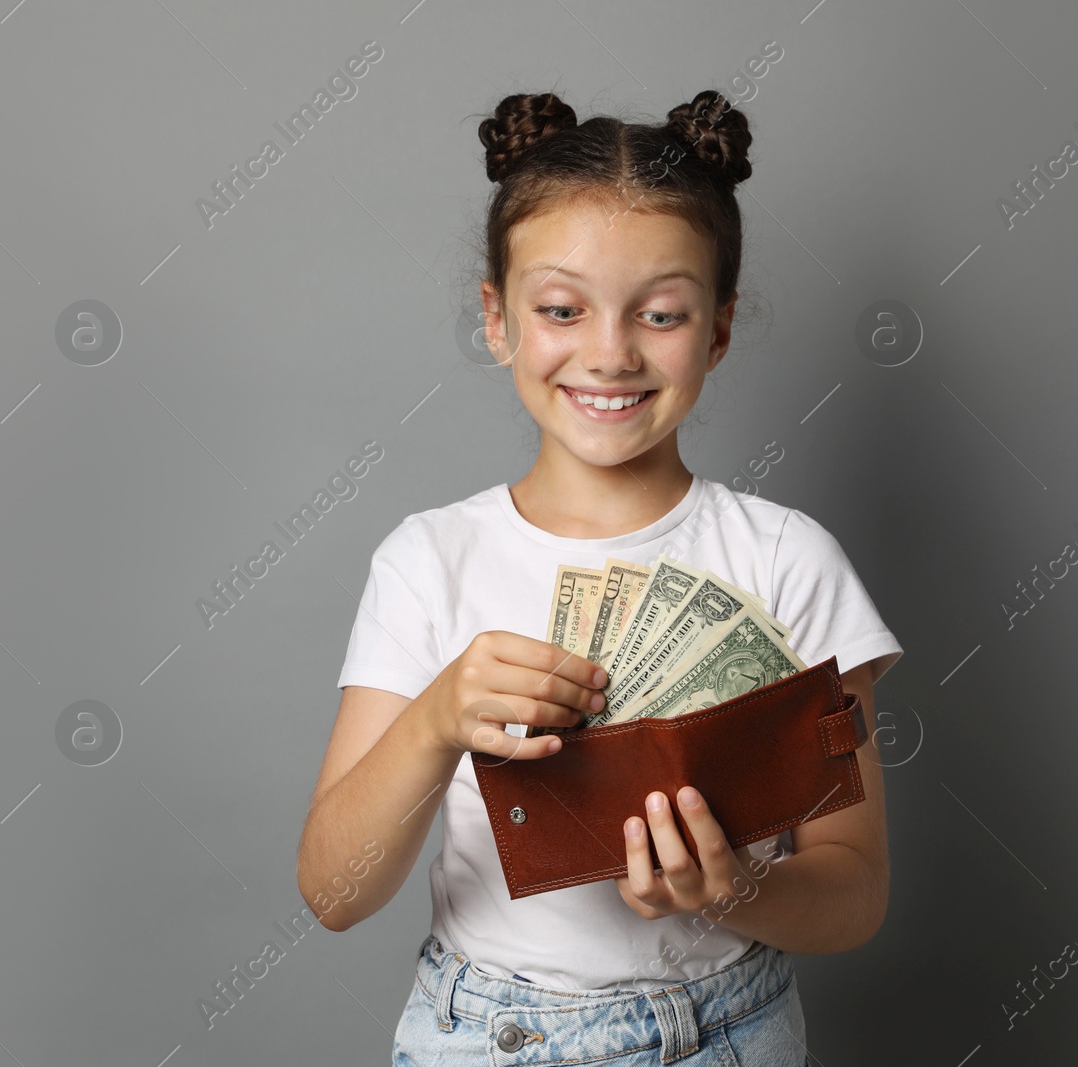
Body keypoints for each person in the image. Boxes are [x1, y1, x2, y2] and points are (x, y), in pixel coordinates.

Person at [296, 88, 903, 1066]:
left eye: (660, 312)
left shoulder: (788, 563)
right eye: (561, 309)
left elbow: (854, 888)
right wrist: (437, 717)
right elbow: (335, 891)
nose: (610, 351)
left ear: (716, 329)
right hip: (490, 1036)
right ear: (498, 320)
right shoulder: (429, 560)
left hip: (730, 1030)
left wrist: (737, 889)